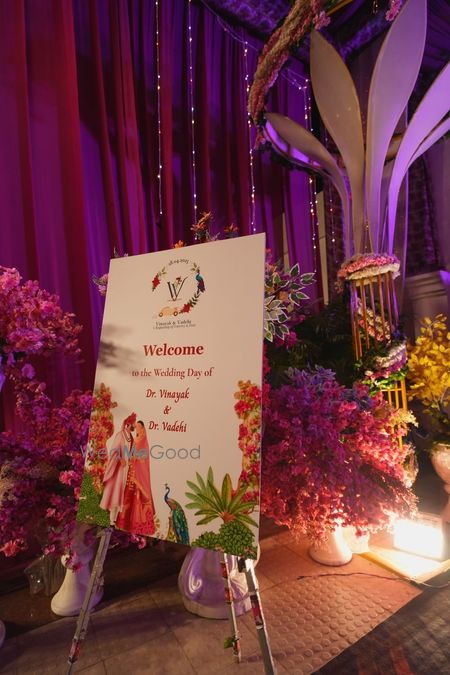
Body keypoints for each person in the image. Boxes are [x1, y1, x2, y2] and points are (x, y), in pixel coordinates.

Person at [116, 420, 156, 536]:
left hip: (139, 472)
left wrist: (136, 457)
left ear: (142, 428)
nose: (137, 428)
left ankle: (139, 525)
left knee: (138, 494)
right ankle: (125, 523)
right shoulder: (136, 439)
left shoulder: (143, 440)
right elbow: (131, 454)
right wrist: (128, 458)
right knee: (129, 493)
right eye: (136, 426)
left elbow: (144, 456)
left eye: (138, 427)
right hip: (132, 469)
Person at [100, 413, 136, 524]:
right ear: (128, 424)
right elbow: (114, 451)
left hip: (126, 470)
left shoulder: (131, 437)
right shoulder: (120, 435)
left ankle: (115, 519)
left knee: (121, 493)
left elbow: (131, 452)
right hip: (118, 470)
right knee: (116, 492)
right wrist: (120, 459)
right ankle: (111, 520)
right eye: (134, 423)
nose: (135, 425)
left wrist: (131, 457)